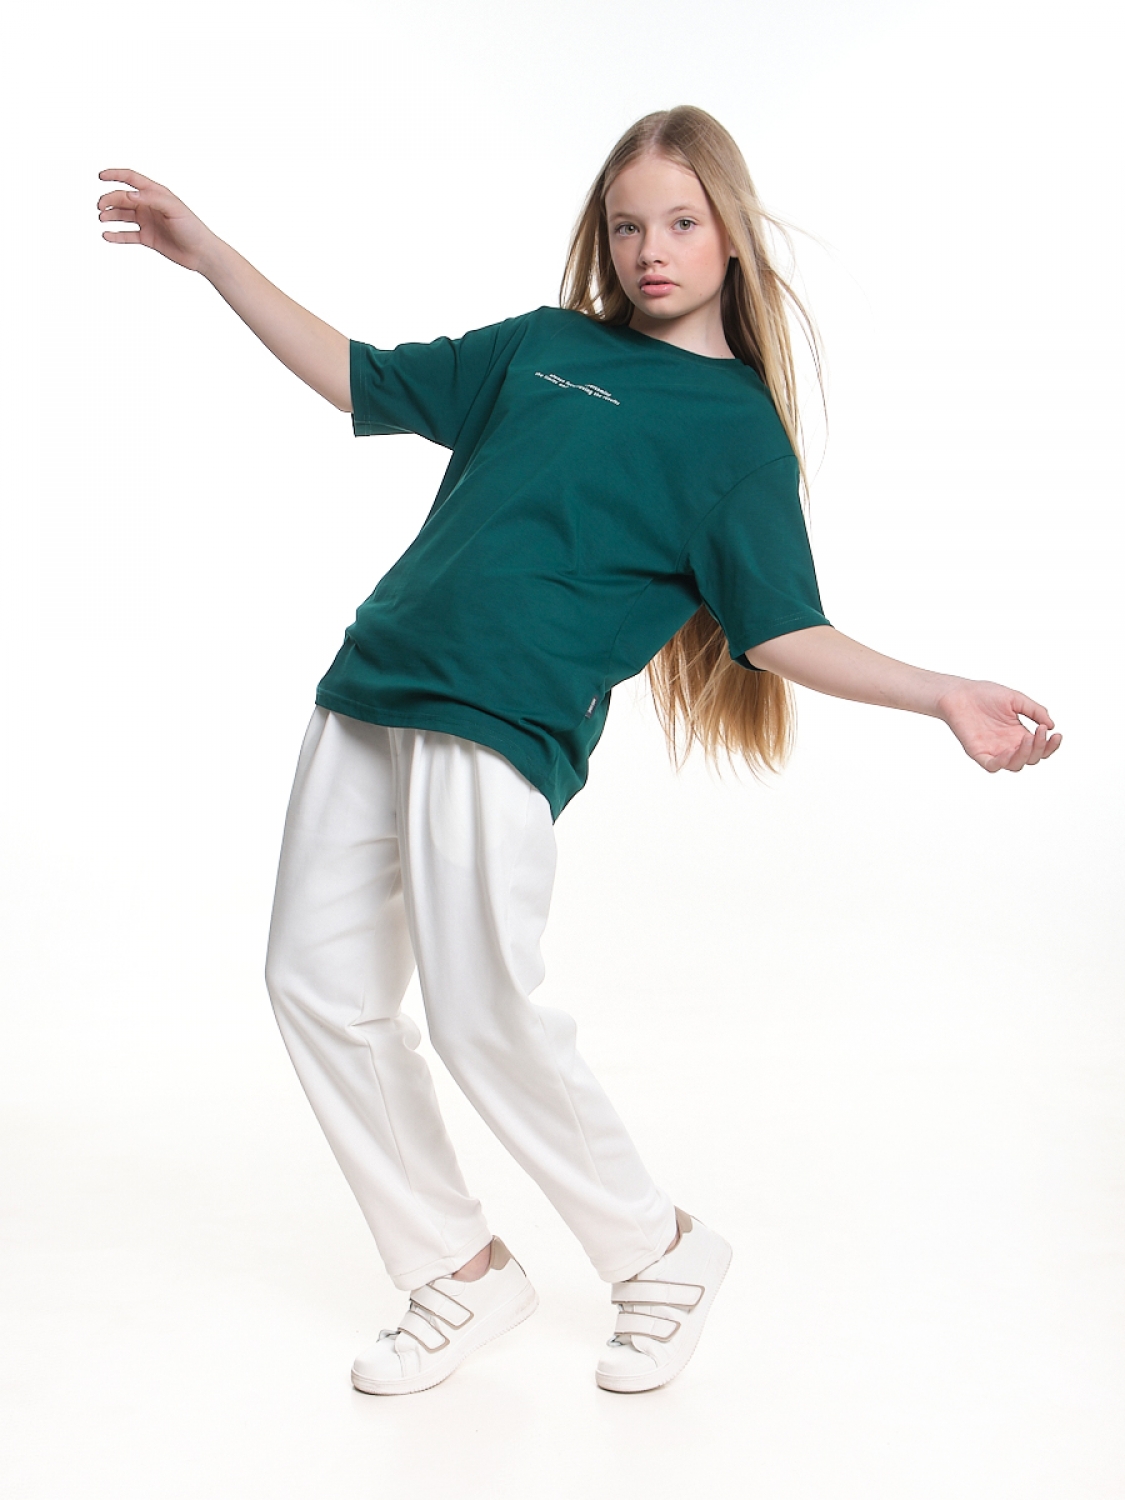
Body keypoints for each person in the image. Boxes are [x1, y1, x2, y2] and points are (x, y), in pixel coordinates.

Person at [97, 105, 1061, 1398]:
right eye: (626, 226)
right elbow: (360, 375)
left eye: (680, 222)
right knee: (313, 985)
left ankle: (659, 1251)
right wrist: (211, 254)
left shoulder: (735, 434)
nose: (650, 249)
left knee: (482, 1011)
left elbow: (781, 629)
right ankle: (458, 1271)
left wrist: (941, 692)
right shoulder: (543, 346)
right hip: (371, 684)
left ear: (730, 233)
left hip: (501, 720)